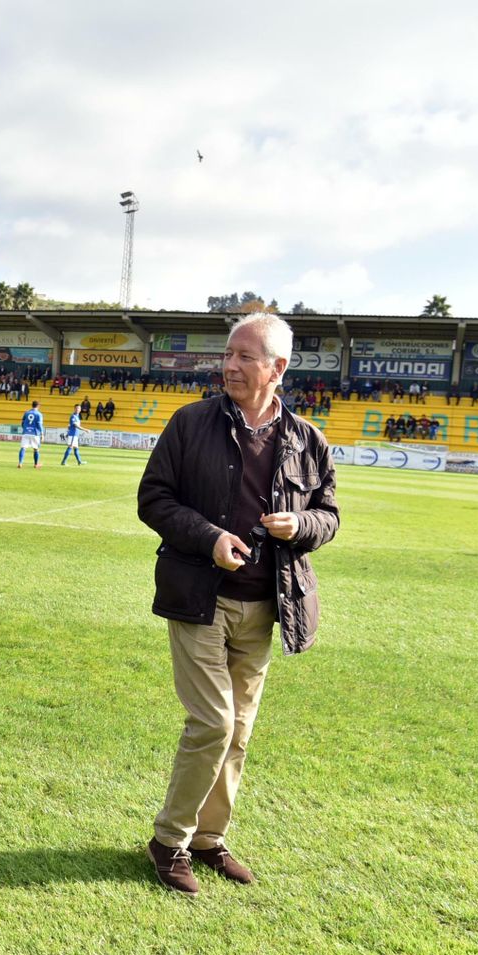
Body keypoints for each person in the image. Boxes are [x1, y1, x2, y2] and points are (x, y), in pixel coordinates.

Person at [137, 312, 339, 895]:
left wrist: (299, 523)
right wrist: (209, 538)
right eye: (229, 354)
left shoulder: (306, 440)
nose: (230, 364)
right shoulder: (190, 423)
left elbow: (329, 518)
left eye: (245, 356)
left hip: (267, 605)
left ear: (278, 368)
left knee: (240, 729)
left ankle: (208, 839)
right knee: (214, 722)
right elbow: (154, 499)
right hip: (198, 596)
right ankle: (169, 840)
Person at [18, 399, 44, 468]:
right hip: (35, 433)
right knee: (36, 449)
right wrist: (42, 433)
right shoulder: (39, 414)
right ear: (38, 406)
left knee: (23, 448)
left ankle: (20, 463)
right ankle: (36, 464)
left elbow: (22, 422)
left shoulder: (26, 413)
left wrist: (25, 429)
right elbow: (39, 424)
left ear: (32, 405)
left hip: (26, 432)